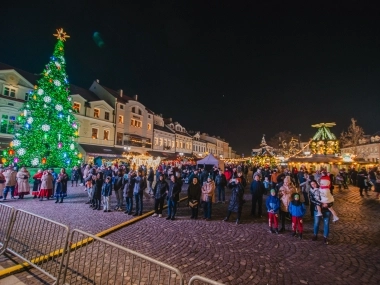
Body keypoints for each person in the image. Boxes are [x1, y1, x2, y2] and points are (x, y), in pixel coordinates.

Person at [309, 180, 332, 245]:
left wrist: (328, 204)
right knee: (316, 223)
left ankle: (325, 237)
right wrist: (320, 203)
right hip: (317, 209)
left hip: (326, 209)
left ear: (317, 183)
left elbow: (330, 198)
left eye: (314, 183)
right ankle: (315, 235)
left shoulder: (324, 189)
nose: (314, 185)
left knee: (326, 223)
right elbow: (312, 200)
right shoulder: (311, 191)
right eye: (312, 184)